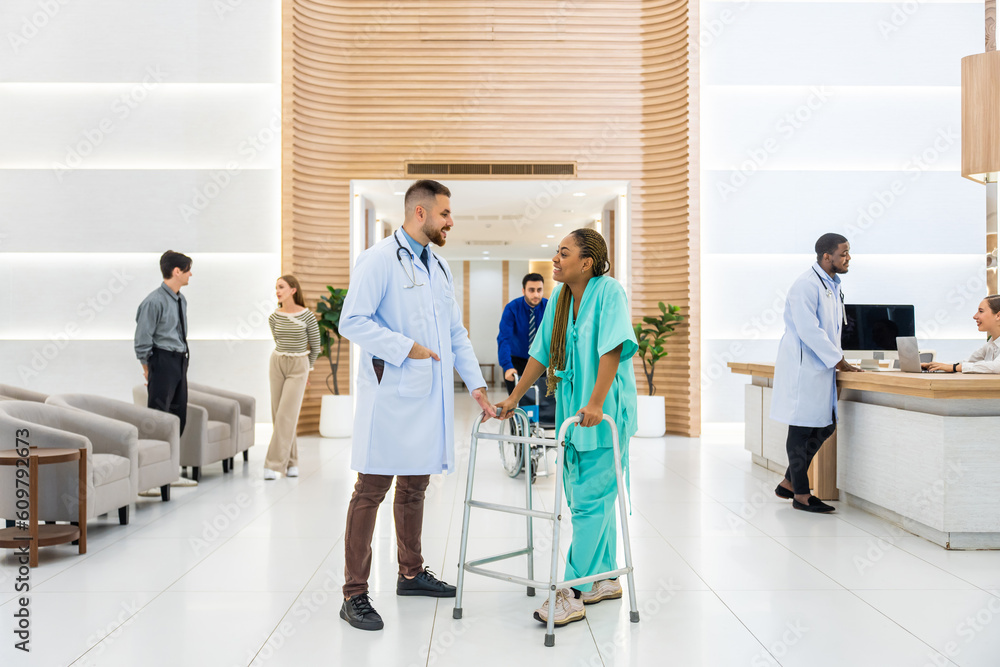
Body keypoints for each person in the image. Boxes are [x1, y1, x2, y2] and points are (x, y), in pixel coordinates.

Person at [337, 179, 494, 632]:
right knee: (371, 490)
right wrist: (407, 347)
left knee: (414, 486)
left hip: (427, 397)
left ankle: (410, 573)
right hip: (391, 395)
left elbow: (456, 333)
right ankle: (354, 594)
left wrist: (477, 387)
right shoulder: (379, 260)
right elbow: (352, 320)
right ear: (420, 213)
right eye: (446, 213)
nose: (451, 221)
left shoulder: (438, 267)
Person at [496, 228, 638, 627]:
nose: (555, 260)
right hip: (573, 412)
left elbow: (612, 347)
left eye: (563, 253)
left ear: (587, 261)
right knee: (583, 496)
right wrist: (514, 396)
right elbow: (541, 354)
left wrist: (596, 401)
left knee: (591, 499)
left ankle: (571, 591)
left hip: (604, 408)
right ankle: (604, 577)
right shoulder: (559, 299)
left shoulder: (609, 292)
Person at [770, 233, 862, 514]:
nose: (848, 258)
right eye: (843, 253)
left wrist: (837, 359)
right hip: (804, 366)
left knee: (825, 424)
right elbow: (809, 330)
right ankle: (801, 494)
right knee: (801, 426)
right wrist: (839, 361)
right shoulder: (806, 285)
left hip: (819, 366)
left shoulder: (831, 285)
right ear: (826, 257)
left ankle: (789, 482)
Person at [263, 275, 320, 480]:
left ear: (293, 290)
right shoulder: (274, 317)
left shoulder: (307, 316)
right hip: (277, 362)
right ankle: (292, 461)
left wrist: (308, 370)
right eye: (276, 287)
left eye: (281, 287)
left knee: (286, 415)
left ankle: (273, 464)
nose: (277, 291)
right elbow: (278, 340)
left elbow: (315, 346)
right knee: (279, 414)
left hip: (299, 364)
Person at [135, 250, 192, 436]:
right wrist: (147, 368)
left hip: (180, 361)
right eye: (187, 270)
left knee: (179, 417)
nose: (190, 274)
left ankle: (172, 461)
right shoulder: (153, 302)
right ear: (177, 271)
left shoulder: (180, 300)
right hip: (162, 360)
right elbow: (142, 339)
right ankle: (156, 460)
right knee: (158, 417)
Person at [497, 273, 548, 394]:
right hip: (516, 361)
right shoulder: (512, 308)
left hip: (539, 359)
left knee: (542, 404)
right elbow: (504, 339)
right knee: (517, 403)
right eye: (531, 290)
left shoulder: (549, 306)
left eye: (539, 290)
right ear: (523, 290)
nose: (536, 294)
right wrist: (507, 366)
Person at [924, 295, 1000, 373]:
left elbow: (996, 367)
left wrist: (954, 367)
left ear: (998, 316)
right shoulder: (990, 345)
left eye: (981, 311)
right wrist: (933, 366)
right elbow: (966, 363)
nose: (975, 316)